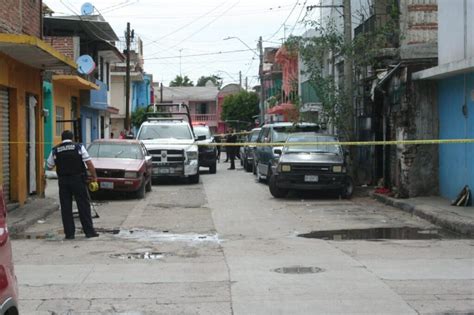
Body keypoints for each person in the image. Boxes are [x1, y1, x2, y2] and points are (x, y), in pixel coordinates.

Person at [46, 130, 99, 240]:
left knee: (66, 207)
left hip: (63, 181)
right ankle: (89, 232)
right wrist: (94, 176)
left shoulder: (55, 150)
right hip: (78, 180)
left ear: (62, 138)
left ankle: (69, 234)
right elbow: (88, 162)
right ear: (72, 138)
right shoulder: (78, 147)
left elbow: (49, 166)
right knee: (83, 205)